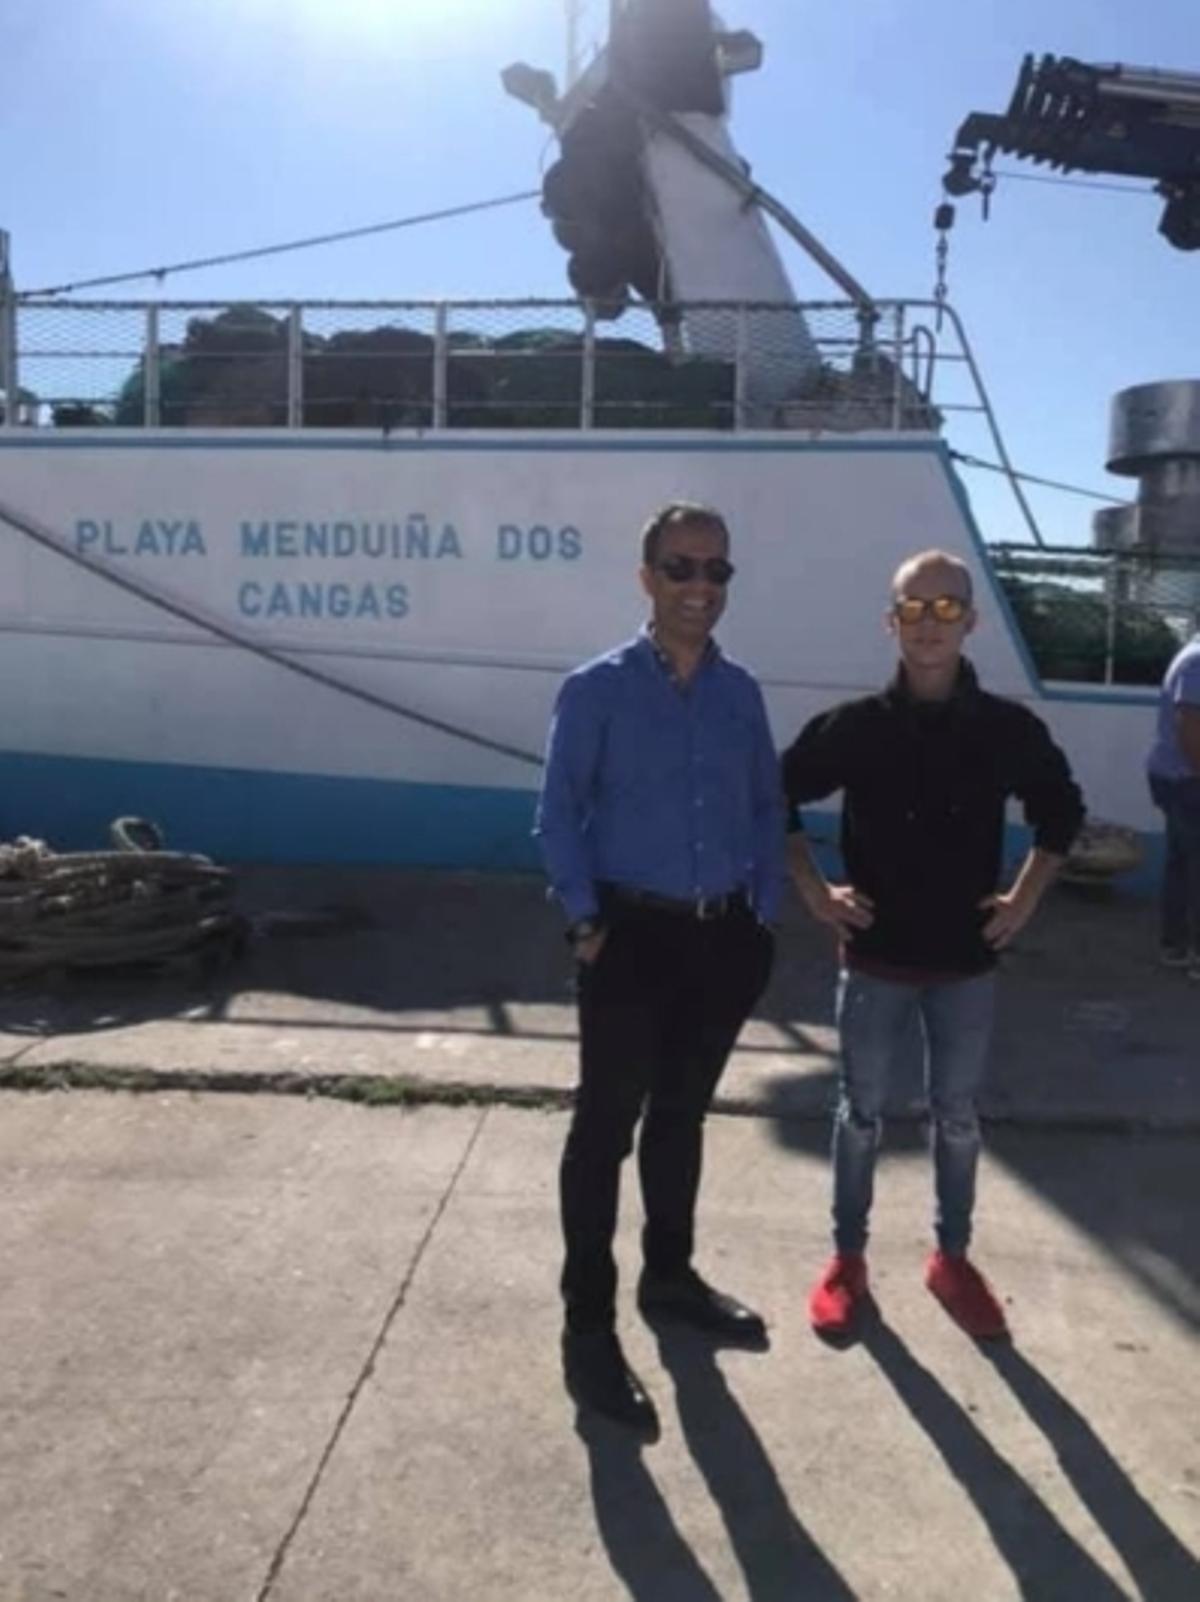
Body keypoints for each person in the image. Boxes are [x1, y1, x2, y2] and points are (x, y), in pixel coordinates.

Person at [782, 550, 1084, 1341]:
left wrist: (1025, 896)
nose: (929, 625)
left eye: (946, 609)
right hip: (874, 960)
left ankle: (952, 1258)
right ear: (892, 622)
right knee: (860, 1115)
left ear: (971, 622)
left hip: (965, 965)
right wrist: (815, 891)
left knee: (956, 1117)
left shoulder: (1006, 730)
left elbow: (1061, 808)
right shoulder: (853, 729)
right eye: (914, 610)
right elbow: (769, 793)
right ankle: (847, 1261)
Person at [535, 500, 784, 1433]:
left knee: (682, 1118)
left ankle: (669, 1278)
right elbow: (558, 812)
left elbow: (766, 805)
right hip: (627, 936)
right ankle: (587, 1330)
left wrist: (761, 916)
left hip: (722, 940)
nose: (700, 587)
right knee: (604, 1132)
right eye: (681, 568)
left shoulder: (740, 693)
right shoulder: (594, 689)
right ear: (647, 579)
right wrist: (584, 923)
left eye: (717, 571)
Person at [1146, 629, 1200, 980]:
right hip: (1187, 779)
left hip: (1176, 777)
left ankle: (1176, 944)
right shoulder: (1198, 661)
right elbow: (1189, 727)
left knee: (1183, 864)